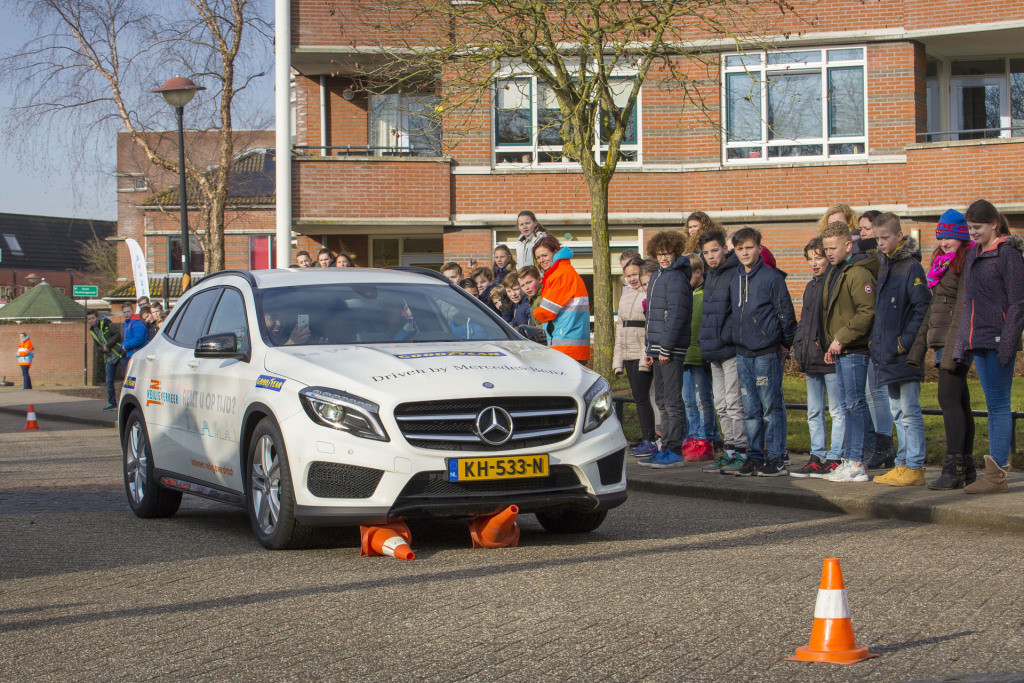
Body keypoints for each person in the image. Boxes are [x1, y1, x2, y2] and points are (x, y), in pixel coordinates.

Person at [952, 199, 1024, 494]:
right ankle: (995, 471)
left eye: (977, 227)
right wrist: (961, 344)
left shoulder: (1009, 255)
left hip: (998, 340)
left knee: (998, 405)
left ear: (994, 224)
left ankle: (996, 476)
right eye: (969, 228)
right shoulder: (973, 255)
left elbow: (1018, 303)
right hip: (978, 339)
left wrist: (1008, 343)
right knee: (992, 404)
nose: (972, 233)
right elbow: (968, 302)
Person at [908, 209, 976, 489]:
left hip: (956, 342)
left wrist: (951, 351)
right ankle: (966, 468)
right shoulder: (941, 263)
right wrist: (917, 349)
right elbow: (934, 309)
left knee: (947, 399)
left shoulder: (966, 262)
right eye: (941, 236)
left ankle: (953, 467)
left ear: (961, 236)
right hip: (942, 341)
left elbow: (962, 308)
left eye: (950, 236)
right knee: (960, 402)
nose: (945, 241)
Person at [868, 213, 931, 487]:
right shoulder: (885, 266)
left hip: (904, 354)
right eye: (877, 238)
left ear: (899, 237)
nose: (880, 243)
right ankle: (903, 463)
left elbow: (921, 308)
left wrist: (904, 342)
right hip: (887, 353)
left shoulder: (910, 268)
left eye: (885, 238)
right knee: (896, 411)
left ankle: (914, 465)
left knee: (909, 410)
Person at [728, 227, 796, 477]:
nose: (744, 253)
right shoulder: (735, 277)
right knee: (750, 408)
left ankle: (776, 456)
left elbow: (785, 312)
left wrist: (786, 343)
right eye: (739, 248)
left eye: (749, 247)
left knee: (770, 407)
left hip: (766, 352)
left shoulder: (771, 277)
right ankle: (755, 455)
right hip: (743, 353)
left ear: (759, 248)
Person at [821, 221, 880, 484]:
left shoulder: (857, 273)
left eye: (833, 248)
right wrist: (831, 343)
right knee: (847, 405)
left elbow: (866, 311)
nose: (829, 253)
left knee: (854, 405)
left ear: (848, 245)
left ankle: (856, 461)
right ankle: (850, 459)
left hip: (854, 348)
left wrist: (841, 339)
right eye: (826, 249)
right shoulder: (837, 271)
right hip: (842, 348)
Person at [791, 237, 846, 478]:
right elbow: (804, 320)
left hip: (829, 357)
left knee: (836, 410)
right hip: (810, 357)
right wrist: (799, 344)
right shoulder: (811, 285)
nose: (814, 263)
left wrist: (828, 344)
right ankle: (817, 454)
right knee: (813, 410)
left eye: (819, 257)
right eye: (810, 258)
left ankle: (836, 455)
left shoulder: (834, 283)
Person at [637, 230, 691, 469]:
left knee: (671, 401)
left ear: (675, 252)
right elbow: (652, 317)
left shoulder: (676, 278)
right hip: (657, 349)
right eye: (660, 254)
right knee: (661, 400)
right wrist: (650, 348)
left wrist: (666, 348)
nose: (664, 258)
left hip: (670, 349)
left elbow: (676, 316)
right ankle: (664, 447)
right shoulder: (659, 276)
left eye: (668, 253)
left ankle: (674, 449)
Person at [697, 230, 748, 474]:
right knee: (720, 403)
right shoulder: (711, 276)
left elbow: (736, 312)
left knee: (734, 401)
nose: (711, 256)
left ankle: (741, 450)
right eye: (706, 253)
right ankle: (729, 450)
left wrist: (725, 337)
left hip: (729, 349)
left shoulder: (735, 274)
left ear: (725, 249)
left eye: (715, 250)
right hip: (713, 350)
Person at [614, 257, 657, 456]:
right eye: (628, 275)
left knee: (646, 397)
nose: (632, 279)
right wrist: (618, 359)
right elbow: (620, 327)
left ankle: (651, 437)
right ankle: (646, 436)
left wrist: (645, 352)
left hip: (643, 348)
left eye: (635, 274)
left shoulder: (649, 291)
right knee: (639, 397)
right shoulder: (626, 294)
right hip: (628, 349)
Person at [681, 253, 719, 461]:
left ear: (698, 272)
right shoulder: (686, 294)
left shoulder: (707, 294)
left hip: (701, 354)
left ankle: (706, 438)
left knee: (703, 399)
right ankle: (693, 437)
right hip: (685, 354)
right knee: (688, 399)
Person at [532, 235, 591, 362]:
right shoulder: (563, 271)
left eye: (544, 255)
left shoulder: (560, 275)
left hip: (566, 345)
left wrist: (534, 313)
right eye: (538, 257)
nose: (541, 260)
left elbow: (546, 312)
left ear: (555, 252)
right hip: (571, 344)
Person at [88, 311, 125, 410]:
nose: (91, 321)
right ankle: (112, 403)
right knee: (109, 381)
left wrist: (108, 345)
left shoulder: (107, 324)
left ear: (97, 317)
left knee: (126, 380)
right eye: (89, 319)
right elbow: (97, 346)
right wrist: (103, 349)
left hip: (119, 353)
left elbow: (117, 335)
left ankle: (125, 403)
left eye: (92, 318)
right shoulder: (92, 330)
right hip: (109, 356)